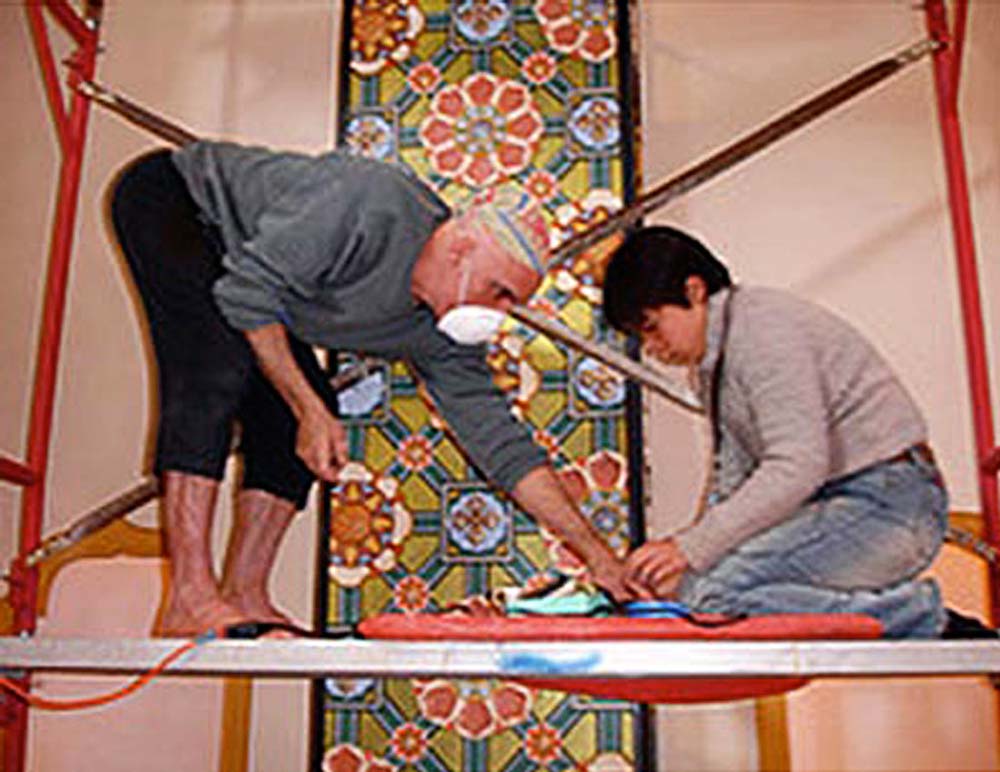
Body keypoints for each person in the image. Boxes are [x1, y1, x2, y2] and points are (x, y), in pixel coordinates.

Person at [109, 141, 629, 638]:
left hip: (244, 273)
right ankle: (188, 595)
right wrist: (308, 407)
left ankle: (244, 594)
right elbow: (248, 292)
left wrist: (597, 553)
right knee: (215, 366)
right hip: (179, 203)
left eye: (508, 306)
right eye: (499, 293)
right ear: (461, 248)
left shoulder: (439, 334)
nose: (497, 314)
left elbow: (504, 448)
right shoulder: (369, 200)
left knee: (298, 415)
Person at [601, 224, 994, 639]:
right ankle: (909, 617)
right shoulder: (716, 360)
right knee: (695, 591)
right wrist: (685, 554)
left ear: (694, 291)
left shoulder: (763, 334)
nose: (653, 349)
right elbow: (733, 480)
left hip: (892, 504)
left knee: (709, 598)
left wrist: (688, 549)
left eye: (652, 327)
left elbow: (798, 466)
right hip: (842, 503)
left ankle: (922, 618)